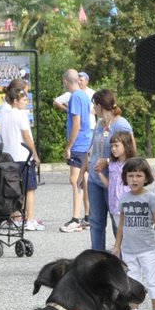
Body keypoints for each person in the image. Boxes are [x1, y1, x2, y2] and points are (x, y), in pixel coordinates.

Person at [113, 157, 155, 310]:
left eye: (139, 175)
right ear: (125, 177)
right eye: (131, 175)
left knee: (152, 280)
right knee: (132, 282)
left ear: (146, 177)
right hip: (128, 249)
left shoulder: (151, 198)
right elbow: (121, 224)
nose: (134, 179)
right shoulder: (124, 198)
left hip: (147, 248)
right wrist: (117, 246)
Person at [84, 89, 132, 253]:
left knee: (116, 220)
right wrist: (85, 168)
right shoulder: (99, 123)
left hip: (113, 182)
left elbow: (131, 152)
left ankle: (122, 257)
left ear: (99, 105)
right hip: (94, 179)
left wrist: (108, 161)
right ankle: (97, 258)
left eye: (94, 106)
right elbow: (93, 148)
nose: (93, 110)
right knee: (96, 221)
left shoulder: (121, 124)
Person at [0, 79, 41, 230]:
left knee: (14, 189)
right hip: (23, 156)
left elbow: (1, 134)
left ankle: (15, 217)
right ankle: (30, 219)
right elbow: (27, 136)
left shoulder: (4, 112)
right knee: (29, 189)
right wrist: (34, 153)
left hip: (9, 156)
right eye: (24, 99)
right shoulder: (20, 114)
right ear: (16, 100)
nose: (26, 102)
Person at [59, 70, 93, 233]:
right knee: (84, 180)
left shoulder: (74, 98)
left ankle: (75, 219)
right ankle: (87, 217)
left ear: (66, 81)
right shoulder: (84, 95)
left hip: (79, 144)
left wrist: (68, 147)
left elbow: (76, 124)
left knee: (75, 181)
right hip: (87, 141)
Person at [104, 129, 135, 246]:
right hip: (115, 206)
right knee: (120, 234)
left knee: (130, 235)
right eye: (112, 146)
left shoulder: (131, 164)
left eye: (116, 146)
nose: (113, 149)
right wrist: (100, 174)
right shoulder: (112, 164)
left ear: (126, 145)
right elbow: (110, 185)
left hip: (128, 207)